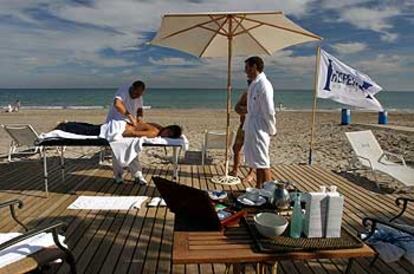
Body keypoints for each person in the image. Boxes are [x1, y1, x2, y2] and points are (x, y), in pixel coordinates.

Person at [243, 56, 276, 188]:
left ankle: (268, 192)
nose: (245, 71)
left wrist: (272, 128)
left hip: (260, 126)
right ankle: (258, 189)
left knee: (263, 161)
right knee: (257, 161)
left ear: (254, 67)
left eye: (247, 68)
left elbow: (269, 110)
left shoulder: (264, 84)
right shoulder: (254, 84)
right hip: (252, 125)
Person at [105, 80, 146, 185]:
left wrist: (139, 120)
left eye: (140, 94)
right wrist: (129, 115)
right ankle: (118, 175)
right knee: (116, 146)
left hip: (129, 124)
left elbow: (140, 110)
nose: (137, 96)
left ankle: (137, 175)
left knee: (133, 146)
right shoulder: (124, 89)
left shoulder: (139, 96)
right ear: (132, 88)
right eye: (136, 93)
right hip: (116, 121)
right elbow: (117, 104)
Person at [229, 81, 254, 183]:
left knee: (252, 150)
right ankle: (235, 169)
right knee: (236, 147)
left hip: (253, 127)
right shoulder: (246, 94)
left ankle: (251, 173)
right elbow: (237, 108)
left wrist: (248, 110)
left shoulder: (259, 94)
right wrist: (247, 110)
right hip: (243, 125)